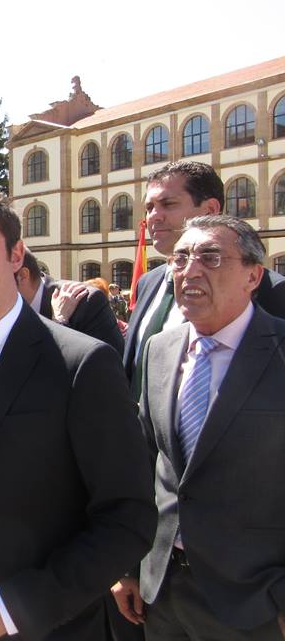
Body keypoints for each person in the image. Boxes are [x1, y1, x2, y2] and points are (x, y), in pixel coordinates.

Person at [0, 185, 156, 640]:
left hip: (46, 627)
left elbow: (127, 519)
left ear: (16, 255)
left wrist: (10, 607)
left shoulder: (81, 364)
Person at [111, 215, 285, 639]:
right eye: (180, 258)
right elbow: (144, 464)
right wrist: (129, 567)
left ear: (253, 275)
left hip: (256, 600)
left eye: (210, 256)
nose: (190, 270)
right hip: (162, 593)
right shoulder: (160, 350)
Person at [123, 160, 285, 384]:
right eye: (149, 207)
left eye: (168, 204)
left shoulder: (272, 291)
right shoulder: (148, 282)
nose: (154, 217)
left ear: (210, 210)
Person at [15, 250, 124, 353]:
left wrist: (59, 326)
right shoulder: (7, 312)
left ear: (23, 275)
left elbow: (108, 365)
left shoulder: (86, 301)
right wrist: (58, 321)